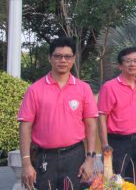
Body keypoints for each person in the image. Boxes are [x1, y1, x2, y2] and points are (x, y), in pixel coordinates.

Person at [18, 37, 98, 190]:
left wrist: (90, 159)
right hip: (44, 157)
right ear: (50, 58)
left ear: (73, 59)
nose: (63, 60)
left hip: (75, 156)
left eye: (67, 56)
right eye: (58, 56)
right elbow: (25, 127)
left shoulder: (83, 89)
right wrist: (26, 163)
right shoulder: (35, 89)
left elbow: (91, 125)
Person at [98, 47, 136, 184]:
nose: (132, 64)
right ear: (119, 65)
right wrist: (105, 145)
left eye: (135, 61)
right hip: (118, 142)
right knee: (116, 182)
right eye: (128, 61)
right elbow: (102, 117)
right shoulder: (109, 87)